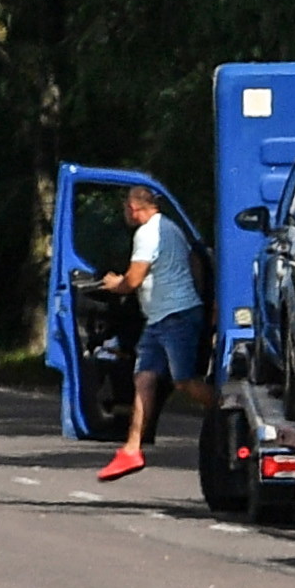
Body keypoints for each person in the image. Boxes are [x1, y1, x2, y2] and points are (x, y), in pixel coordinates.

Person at [93, 182, 209, 486]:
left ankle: (232, 412)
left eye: (125, 207)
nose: (125, 212)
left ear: (133, 208)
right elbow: (195, 262)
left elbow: (133, 280)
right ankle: (131, 449)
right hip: (160, 318)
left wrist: (114, 284)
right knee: (144, 377)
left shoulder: (146, 233)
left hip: (175, 317)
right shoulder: (171, 228)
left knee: (184, 382)